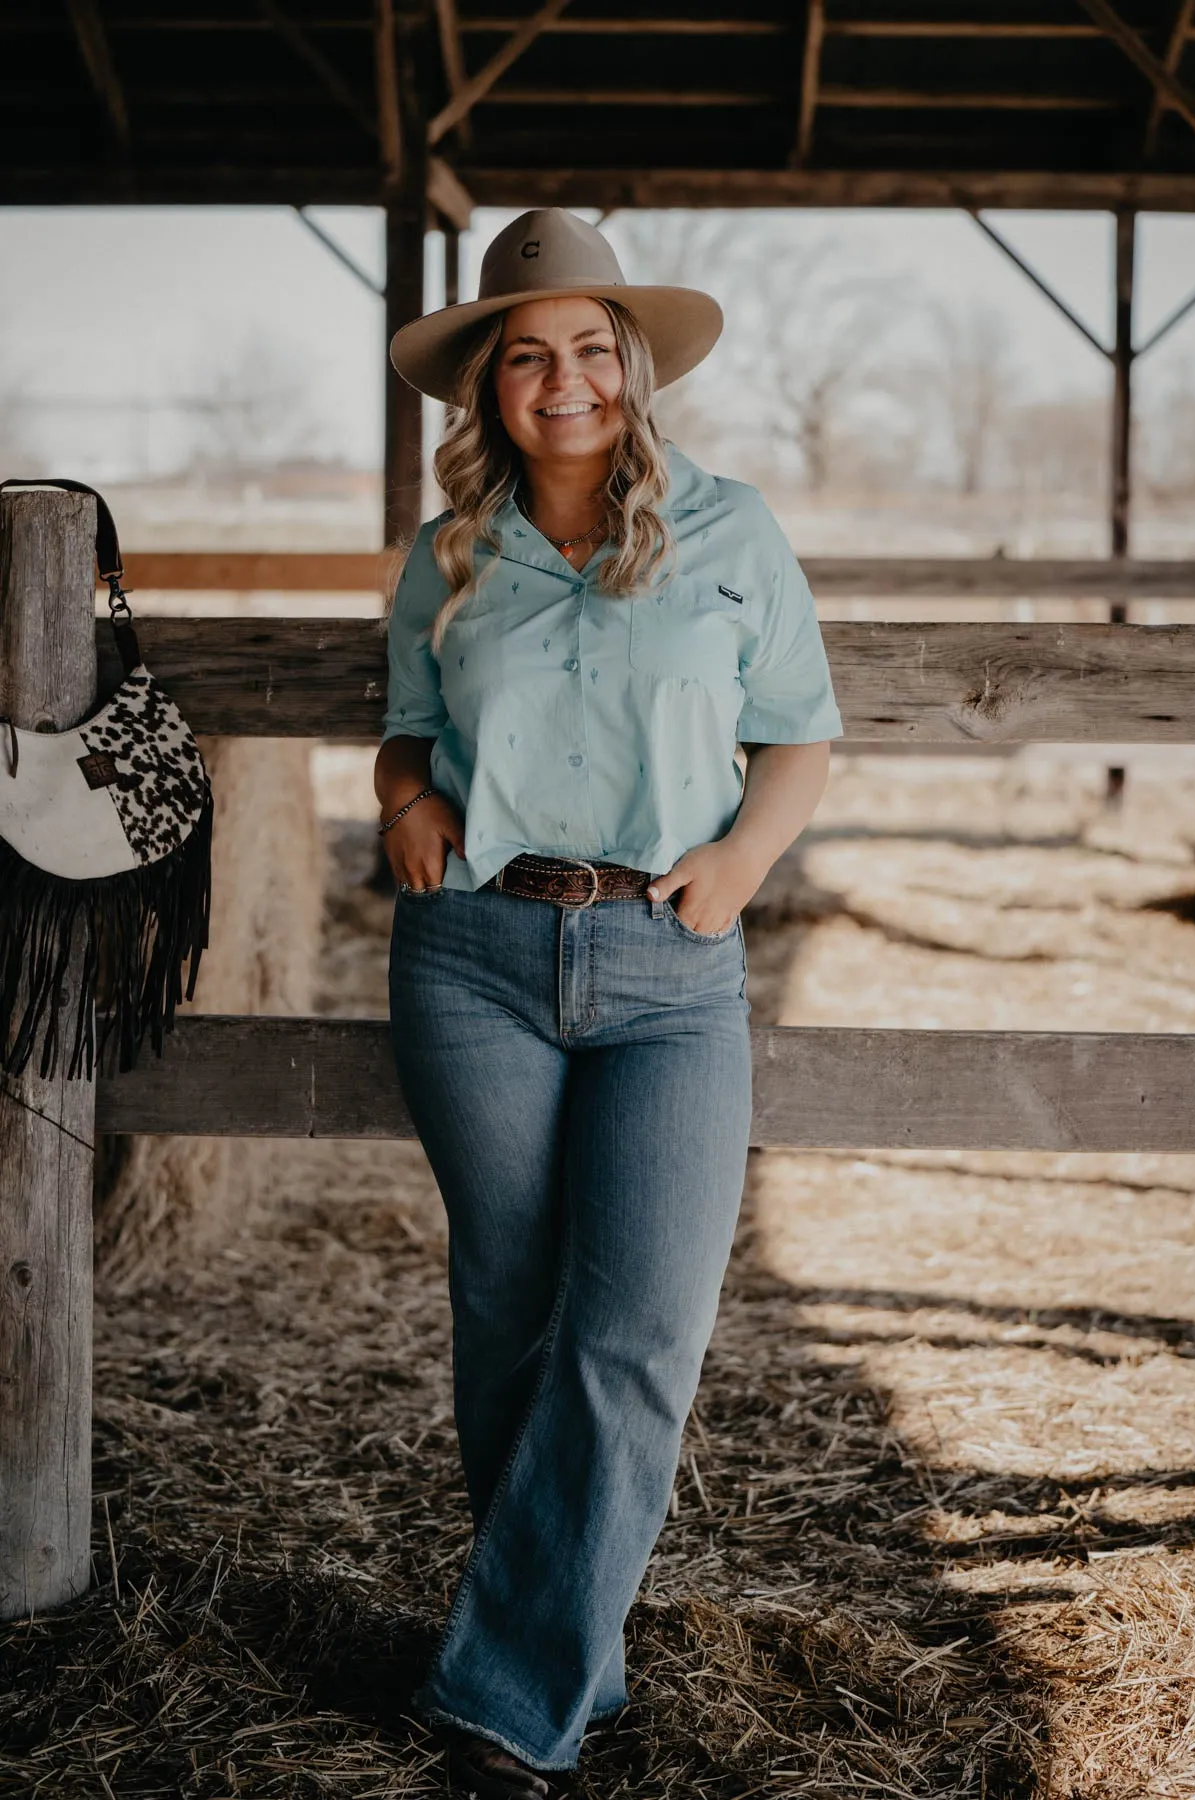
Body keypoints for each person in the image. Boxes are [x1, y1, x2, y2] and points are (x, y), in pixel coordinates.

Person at [374, 208, 842, 1797]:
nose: (559, 378)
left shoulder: (729, 528)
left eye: (587, 349)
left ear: (630, 371)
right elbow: (407, 725)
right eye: (525, 355)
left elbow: (799, 735)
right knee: (509, 1321)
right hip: (473, 963)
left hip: (667, 968)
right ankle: (572, 1663)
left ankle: (503, 1701)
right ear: (489, 388)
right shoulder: (445, 553)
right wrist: (400, 803)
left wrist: (741, 863)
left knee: (642, 1325)